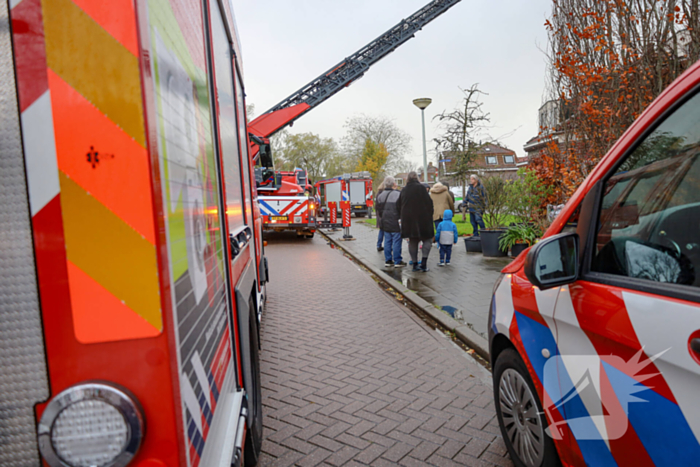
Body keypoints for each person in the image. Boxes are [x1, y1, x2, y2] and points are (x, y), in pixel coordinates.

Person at [397, 172, 434, 272]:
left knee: (413, 241)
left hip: (409, 220)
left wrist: (402, 216)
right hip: (423, 220)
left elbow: (398, 205)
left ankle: (414, 264)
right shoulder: (422, 188)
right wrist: (429, 215)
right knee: (427, 239)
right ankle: (424, 263)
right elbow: (429, 204)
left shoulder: (404, 190)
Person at [375, 176, 406, 267]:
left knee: (387, 241)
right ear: (393, 184)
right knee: (396, 241)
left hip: (385, 221)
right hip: (395, 221)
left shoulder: (380, 195)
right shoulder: (398, 194)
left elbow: (378, 209)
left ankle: (388, 260)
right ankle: (397, 260)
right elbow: (401, 208)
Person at [375, 180, 385, 252]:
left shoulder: (378, 193)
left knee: (381, 230)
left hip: (379, 214)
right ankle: (379, 245)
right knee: (384, 231)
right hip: (382, 214)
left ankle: (379, 245)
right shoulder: (383, 194)